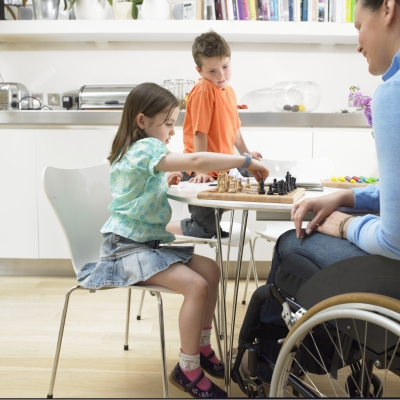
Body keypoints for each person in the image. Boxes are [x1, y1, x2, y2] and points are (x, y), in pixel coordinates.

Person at [77, 82, 269, 399]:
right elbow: (195, 162)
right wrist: (244, 161)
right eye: (167, 124)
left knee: (210, 270)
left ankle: (202, 345)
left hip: (142, 244)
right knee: (197, 286)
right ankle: (188, 367)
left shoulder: (135, 150)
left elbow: (135, 190)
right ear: (142, 122)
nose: (171, 131)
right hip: (125, 249)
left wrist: (163, 178)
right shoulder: (146, 147)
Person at [254, 0, 400, 385]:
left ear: (388, 8)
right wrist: (348, 198)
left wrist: (343, 226)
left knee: (292, 240)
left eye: (358, 27)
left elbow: (395, 240)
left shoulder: (394, 93)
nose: (358, 43)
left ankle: (267, 364)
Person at [167, 30, 263, 239]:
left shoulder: (228, 92)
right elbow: (199, 133)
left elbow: (235, 131)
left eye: (225, 67)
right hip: (201, 170)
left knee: (256, 176)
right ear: (199, 70)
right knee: (205, 230)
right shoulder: (203, 89)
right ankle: (158, 230)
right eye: (212, 71)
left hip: (222, 169)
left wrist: (247, 154)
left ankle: (214, 211)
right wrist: (200, 169)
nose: (220, 76)